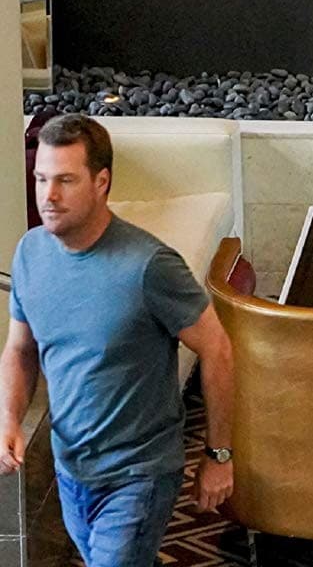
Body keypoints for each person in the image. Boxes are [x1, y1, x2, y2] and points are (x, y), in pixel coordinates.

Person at [0, 114, 235, 567]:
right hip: (71, 469)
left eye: (65, 180)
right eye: (41, 179)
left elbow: (217, 348)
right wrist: (9, 419)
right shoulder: (30, 252)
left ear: (101, 182)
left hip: (140, 473)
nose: (48, 196)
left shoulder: (150, 266)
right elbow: (20, 349)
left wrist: (219, 455)